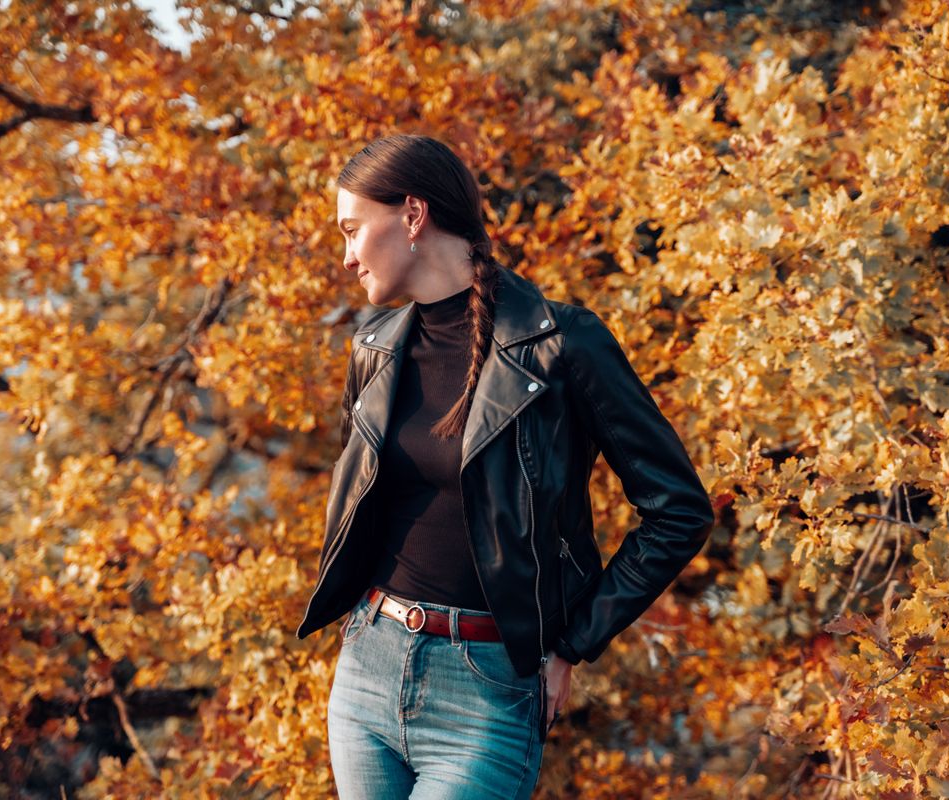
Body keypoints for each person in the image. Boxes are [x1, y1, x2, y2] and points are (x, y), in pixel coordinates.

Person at [295, 133, 715, 799]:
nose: (346, 257)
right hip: (368, 668)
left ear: (412, 215)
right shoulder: (373, 349)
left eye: (352, 230)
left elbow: (679, 509)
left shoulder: (562, 343)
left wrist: (576, 642)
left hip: (488, 690)